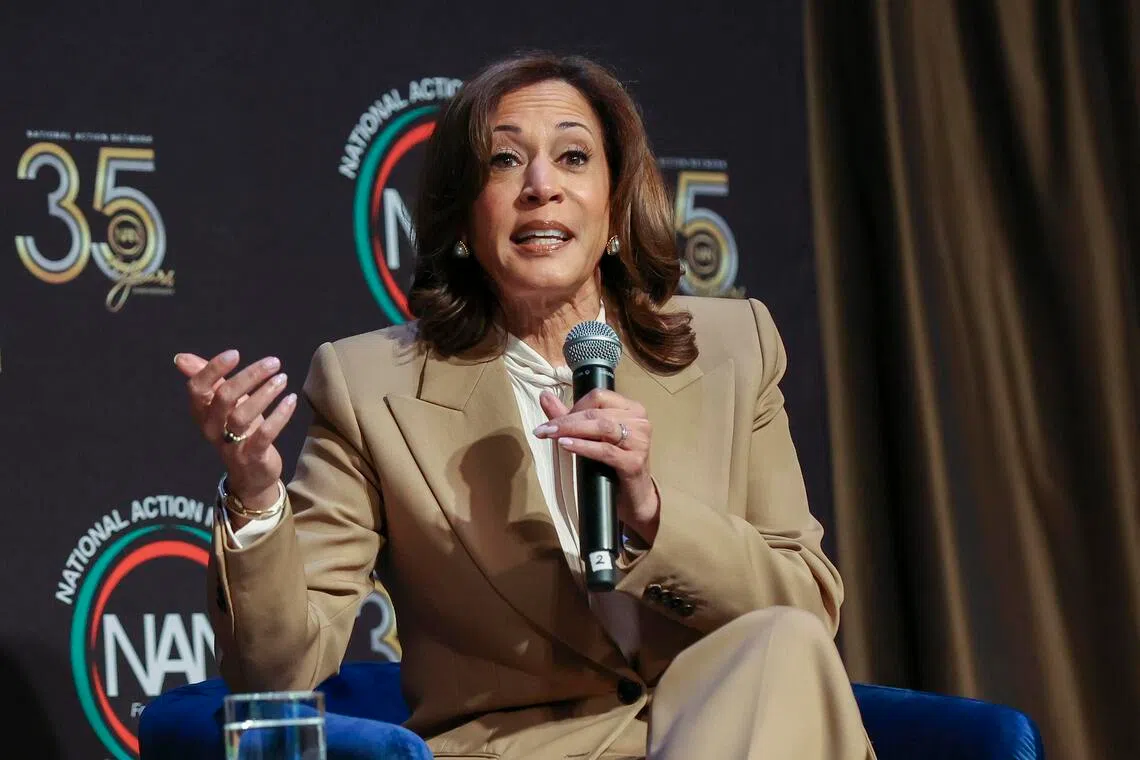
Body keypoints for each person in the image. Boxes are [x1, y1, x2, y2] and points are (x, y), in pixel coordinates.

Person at [174, 52, 875, 760]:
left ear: (616, 202)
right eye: (505, 162)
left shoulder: (732, 347)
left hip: (733, 729)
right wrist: (258, 497)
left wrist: (654, 513)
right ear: (462, 218)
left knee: (785, 643)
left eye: (573, 157)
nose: (542, 186)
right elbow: (278, 672)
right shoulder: (371, 387)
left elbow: (805, 603)